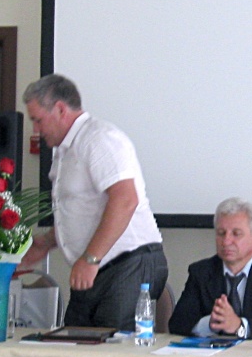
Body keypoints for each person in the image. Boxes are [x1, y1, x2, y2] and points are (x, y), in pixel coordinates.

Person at [19, 74, 168, 330]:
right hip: (98, 267)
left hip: (127, 264)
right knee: (74, 344)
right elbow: (83, 210)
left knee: (110, 350)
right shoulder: (66, 150)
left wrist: (90, 259)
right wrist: (46, 243)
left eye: (38, 120)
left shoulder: (99, 139)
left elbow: (125, 199)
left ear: (60, 109)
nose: (35, 130)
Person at [169, 197, 252, 338]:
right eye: (221, 233)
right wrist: (210, 324)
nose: (226, 241)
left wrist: (239, 326)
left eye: (236, 234)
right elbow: (177, 324)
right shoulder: (201, 272)